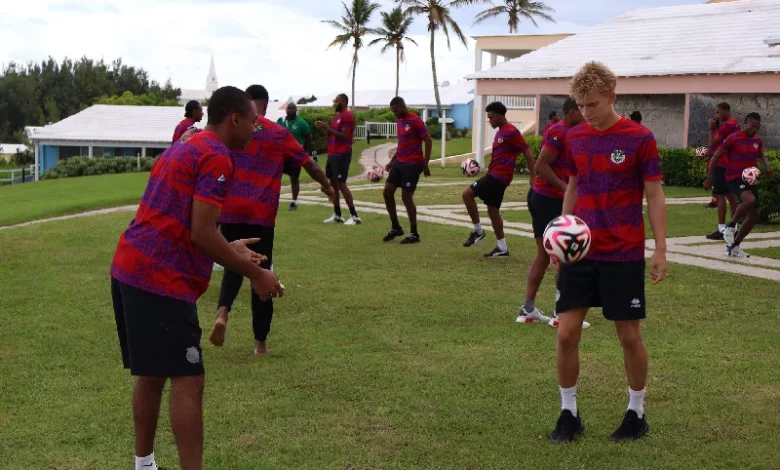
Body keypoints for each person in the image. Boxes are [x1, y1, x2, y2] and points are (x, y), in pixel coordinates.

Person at [110, 86, 284, 470]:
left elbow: (184, 220)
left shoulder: (188, 143)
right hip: (159, 277)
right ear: (234, 118)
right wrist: (257, 273)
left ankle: (144, 465)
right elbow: (201, 233)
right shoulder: (217, 156)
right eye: (253, 121)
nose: (257, 129)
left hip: (129, 267)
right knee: (188, 379)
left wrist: (230, 248)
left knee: (152, 374)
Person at [549, 62, 667, 443]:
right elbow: (572, 187)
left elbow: (654, 194)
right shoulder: (575, 138)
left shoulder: (640, 138)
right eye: (581, 105)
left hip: (624, 251)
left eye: (594, 104)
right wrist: (558, 237)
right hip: (580, 251)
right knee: (566, 334)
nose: (586, 112)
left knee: (628, 336)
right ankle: (569, 413)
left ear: (613, 97)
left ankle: (636, 412)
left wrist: (660, 247)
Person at [210, 85, 334, 355]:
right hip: (261, 214)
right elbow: (308, 163)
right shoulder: (278, 133)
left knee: (234, 264)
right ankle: (260, 344)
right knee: (261, 273)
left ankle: (223, 313)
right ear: (264, 104)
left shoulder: (233, 130)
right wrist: (327, 185)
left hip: (230, 209)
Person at [520, 97, 589, 329]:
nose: (586, 113)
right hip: (547, 200)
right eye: (582, 109)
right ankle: (561, 314)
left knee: (544, 255)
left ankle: (527, 309)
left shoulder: (575, 131)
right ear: (571, 112)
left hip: (546, 198)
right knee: (563, 256)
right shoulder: (560, 131)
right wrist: (566, 188)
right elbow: (541, 166)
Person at [462, 102, 535, 258]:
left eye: (491, 117)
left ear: (500, 116)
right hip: (496, 175)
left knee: (467, 195)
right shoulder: (501, 132)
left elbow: (527, 152)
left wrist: (533, 175)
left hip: (498, 177)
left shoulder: (511, 132)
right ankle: (502, 248)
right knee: (493, 211)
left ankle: (478, 231)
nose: (489, 121)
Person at [704, 113, 773, 258]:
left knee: (754, 216)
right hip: (734, 178)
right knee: (750, 200)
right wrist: (709, 178)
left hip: (750, 180)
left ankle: (734, 247)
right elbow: (716, 156)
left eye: (757, 127)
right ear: (745, 122)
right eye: (752, 126)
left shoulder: (757, 140)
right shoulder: (733, 138)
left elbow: (760, 155)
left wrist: (766, 165)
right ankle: (730, 227)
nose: (755, 129)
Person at [382, 96, 433, 244]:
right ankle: (396, 227)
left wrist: (425, 163)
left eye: (396, 111)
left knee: (406, 197)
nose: (394, 114)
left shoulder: (415, 121)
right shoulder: (399, 122)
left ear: (402, 107)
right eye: (393, 111)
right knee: (387, 192)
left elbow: (428, 140)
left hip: (413, 164)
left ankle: (414, 233)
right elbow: (402, 144)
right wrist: (392, 161)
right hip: (399, 162)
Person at [316, 94, 361, 225]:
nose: (335, 103)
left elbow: (344, 137)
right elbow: (333, 134)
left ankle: (355, 216)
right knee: (333, 184)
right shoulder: (336, 118)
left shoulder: (347, 116)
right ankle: (337, 214)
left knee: (341, 184)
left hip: (342, 153)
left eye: (337, 101)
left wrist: (328, 128)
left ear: (344, 102)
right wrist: (325, 128)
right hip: (333, 153)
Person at [703, 103, 740, 239]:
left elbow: (712, 142)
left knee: (720, 196)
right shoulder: (735, 124)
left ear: (726, 111)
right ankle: (734, 228)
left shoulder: (728, 125)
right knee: (731, 196)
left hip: (721, 163)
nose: (717, 115)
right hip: (730, 163)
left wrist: (711, 128)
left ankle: (722, 229)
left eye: (718, 112)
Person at [277, 102, 315, 210]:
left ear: (296, 110)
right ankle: (272, 199)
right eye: (289, 108)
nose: (291, 110)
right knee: (275, 177)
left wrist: (304, 150)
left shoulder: (301, 123)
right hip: (281, 155)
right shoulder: (280, 121)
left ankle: (294, 201)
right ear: (286, 109)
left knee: (294, 178)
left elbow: (308, 137)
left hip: (295, 156)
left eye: (293, 108)